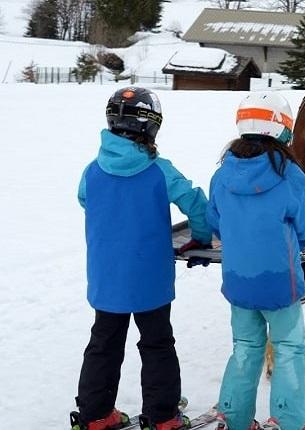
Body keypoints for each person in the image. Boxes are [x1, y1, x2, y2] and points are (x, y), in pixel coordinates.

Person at [71, 87, 212, 430]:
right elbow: (196, 204)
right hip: (150, 280)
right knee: (157, 344)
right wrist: (202, 237)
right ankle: (163, 416)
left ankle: (95, 415)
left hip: (108, 279)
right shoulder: (159, 170)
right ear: (151, 126)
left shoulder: (92, 170)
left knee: (103, 344)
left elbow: (85, 201)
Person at [206, 92, 305, 430]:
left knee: (245, 345)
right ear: (283, 129)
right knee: (288, 347)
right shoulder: (290, 175)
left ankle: (233, 415)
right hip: (280, 282)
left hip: (238, 282)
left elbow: (215, 222)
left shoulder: (222, 175)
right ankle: (288, 419)